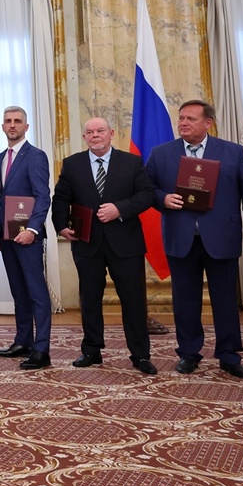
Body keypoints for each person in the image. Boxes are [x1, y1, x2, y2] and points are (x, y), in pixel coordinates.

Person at [145, 100, 243, 378]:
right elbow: (145, 187)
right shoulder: (162, 153)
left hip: (221, 236)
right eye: (181, 118)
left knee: (225, 300)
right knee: (185, 300)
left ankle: (229, 354)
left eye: (190, 119)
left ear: (208, 122)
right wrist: (163, 198)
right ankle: (188, 353)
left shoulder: (232, 152)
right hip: (181, 236)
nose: (183, 123)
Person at [51, 117, 157, 374]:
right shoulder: (72, 164)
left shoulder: (131, 162)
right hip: (87, 243)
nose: (95, 135)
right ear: (84, 137)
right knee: (89, 299)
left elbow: (147, 194)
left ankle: (140, 355)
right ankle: (91, 349)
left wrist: (119, 209)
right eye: (89, 132)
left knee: (133, 300)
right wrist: (61, 226)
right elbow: (61, 198)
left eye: (100, 131)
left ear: (111, 133)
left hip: (126, 243)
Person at [0, 105, 53, 369]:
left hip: (28, 237)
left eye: (18, 121)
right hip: (7, 237)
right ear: (3, 126)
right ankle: (23, 341)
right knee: (18, 291)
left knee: (36, 292)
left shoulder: (36, 156)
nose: (13, 125)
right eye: (8, 121)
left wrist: (32, 229)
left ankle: (42, 350)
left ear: (26, 127)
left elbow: (42, 197)